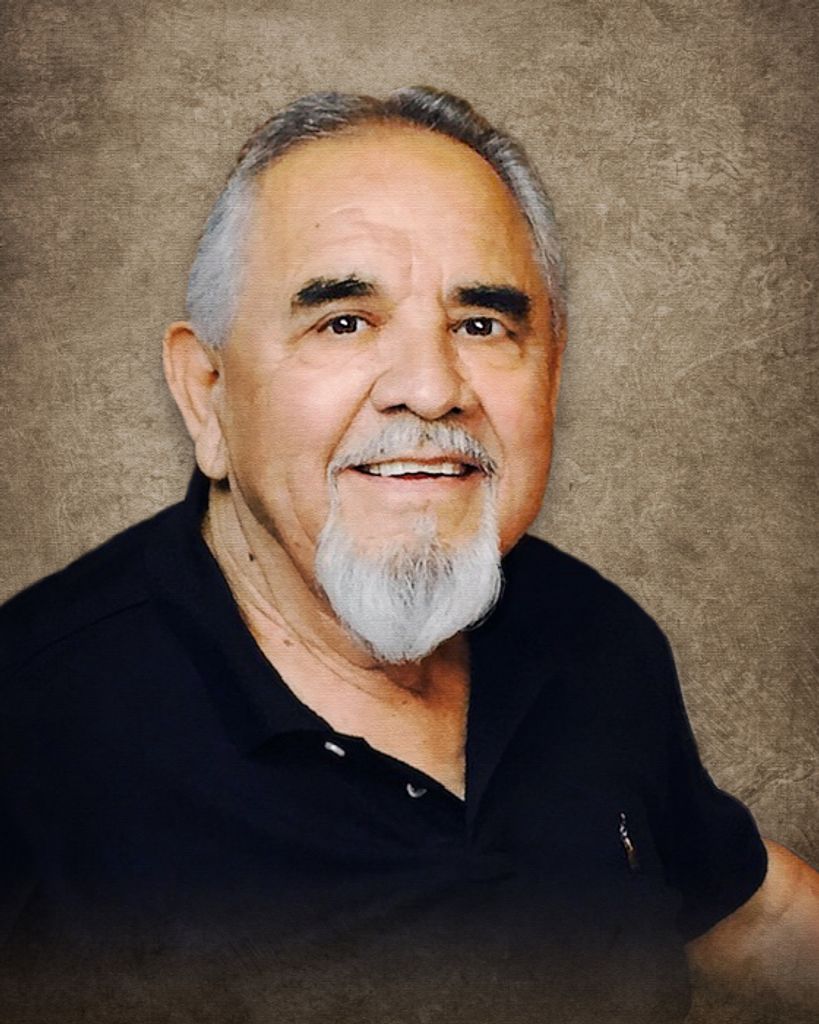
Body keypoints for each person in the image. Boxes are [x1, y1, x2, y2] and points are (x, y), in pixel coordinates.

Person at [1, 87, 817, 1024]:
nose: (430, 390)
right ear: (207, 393)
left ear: (551, 372)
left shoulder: (589, 633)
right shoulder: (32, 732)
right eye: (343, 321)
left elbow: (743, 911)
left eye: (481, 325)